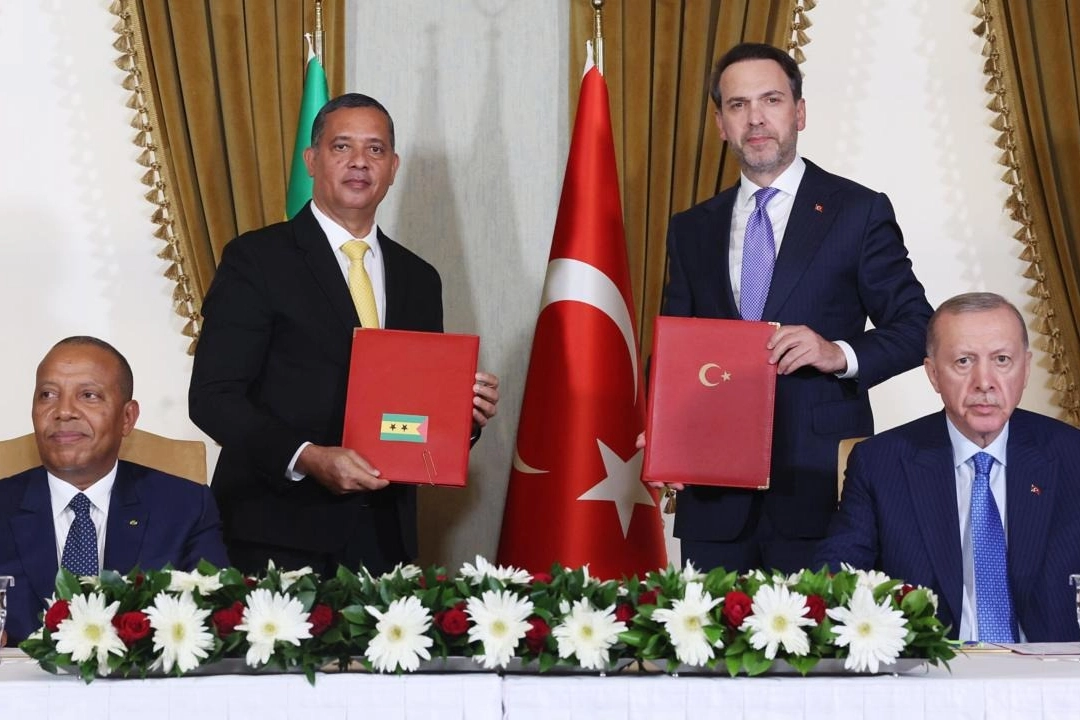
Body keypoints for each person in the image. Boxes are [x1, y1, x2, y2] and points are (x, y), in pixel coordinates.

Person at [189, 93, 499, 578]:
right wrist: (307, 457)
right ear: (311, 160)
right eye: (342, 147)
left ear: (393, 168)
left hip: (384, 540)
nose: (359, 161)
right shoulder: (256, 259)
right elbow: (213, 398)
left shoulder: (419, 278)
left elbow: (414, 415)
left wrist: (463, 416)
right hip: (275, 536)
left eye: (375, 149)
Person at [652, 43, 932, 574]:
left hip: (819, 490)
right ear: (721, 124)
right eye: (738, 105)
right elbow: (675, 351)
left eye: (771, 100)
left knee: (820, 629)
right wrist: (664, 432)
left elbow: (919, 327)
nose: (755, 118)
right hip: (713, 497)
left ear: (799, 112)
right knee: (707, 629)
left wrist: (838, 353)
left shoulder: (857, 211)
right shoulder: (691, 228)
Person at [815, 292, 1080, 642]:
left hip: (1052, 668)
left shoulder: (1071, 456)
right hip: (933, 666)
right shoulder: (881, 462)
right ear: (933, 374)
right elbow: (835, 580)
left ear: (1026, 368)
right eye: (963, 361)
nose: (984, 382)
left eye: (1002, 360)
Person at [0, 337, 228, 645]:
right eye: (47, 395)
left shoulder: (184, 508)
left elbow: (216, 625)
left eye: (88, 395)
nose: (63, 411)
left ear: (127, 417)